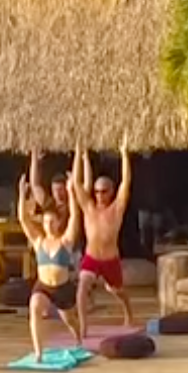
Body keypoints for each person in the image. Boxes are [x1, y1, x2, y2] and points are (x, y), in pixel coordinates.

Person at [20, 147, 85, 361]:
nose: (48, 223)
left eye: (61, 189)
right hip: (44, 285)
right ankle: (39, 352)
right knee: (35, 308)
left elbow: (76, 215)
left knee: (70, 320)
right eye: (46, 221)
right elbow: (24, 218)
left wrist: (73, 189)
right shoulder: (40, 234)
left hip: (63, 282)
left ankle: (78, 337)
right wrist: (23, 193)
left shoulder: (66, 226)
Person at [70, 140, 134, 337]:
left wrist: (124, 155)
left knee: (117, 291)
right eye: (96, 191)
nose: (99, 195)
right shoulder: (89, 207)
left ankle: (128, 313)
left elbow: (126, 182)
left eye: (103, 191)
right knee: (82, 288)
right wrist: (79, 154)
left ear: (111, 192)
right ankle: (83, 326)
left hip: (110, 259)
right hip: (91, 258)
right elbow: (76, 184)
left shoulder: (116, 208)